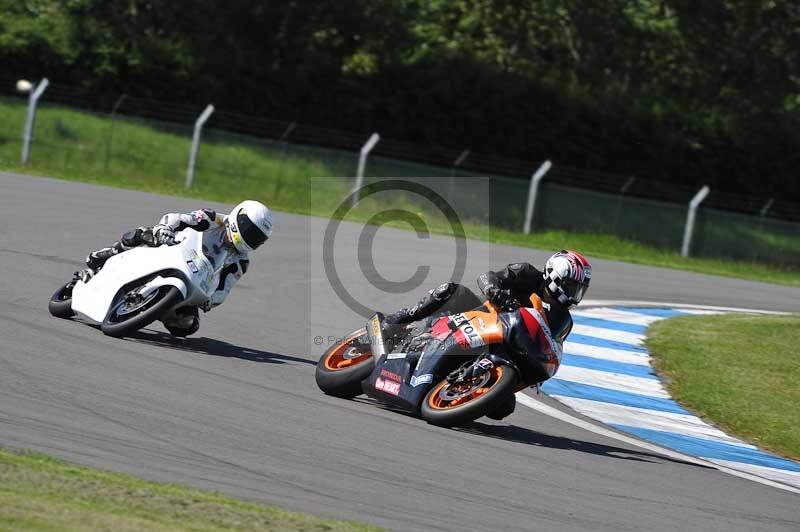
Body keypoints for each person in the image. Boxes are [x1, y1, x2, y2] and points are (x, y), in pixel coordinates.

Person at [382, 250, 592, 419]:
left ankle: (458, 390)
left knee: (504, 407)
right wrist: (495, 291)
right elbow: (487, 277)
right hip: (481, 318)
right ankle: (398, 320)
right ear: (555, 275)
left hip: (509, 348)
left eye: (579, 290)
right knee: (450, 290)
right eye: (571, 287)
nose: (574, 294)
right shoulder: (526, 273)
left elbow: (554, 344)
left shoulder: (562, 319)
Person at [73, 200, 273, 336]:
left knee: (189, 325)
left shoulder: (241, 261)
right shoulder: (213, 219)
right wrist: (165, 228)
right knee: (142, 234)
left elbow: (224, 289)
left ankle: (157, 308)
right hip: (173, 248)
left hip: (195, 280)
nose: (251, 239)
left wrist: (210, 301)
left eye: (257, 238)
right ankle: (106, 255)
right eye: (250, 231)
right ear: (239, 218)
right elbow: (178, 218)